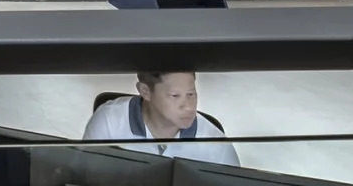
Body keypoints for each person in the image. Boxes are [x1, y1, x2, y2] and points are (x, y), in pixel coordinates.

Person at [84, 68, 240, 164]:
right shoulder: (109, 121)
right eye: (175, 96)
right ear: (145, 91)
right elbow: (82, 179)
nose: (188, 106)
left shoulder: (217, 145)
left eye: (191, 94)